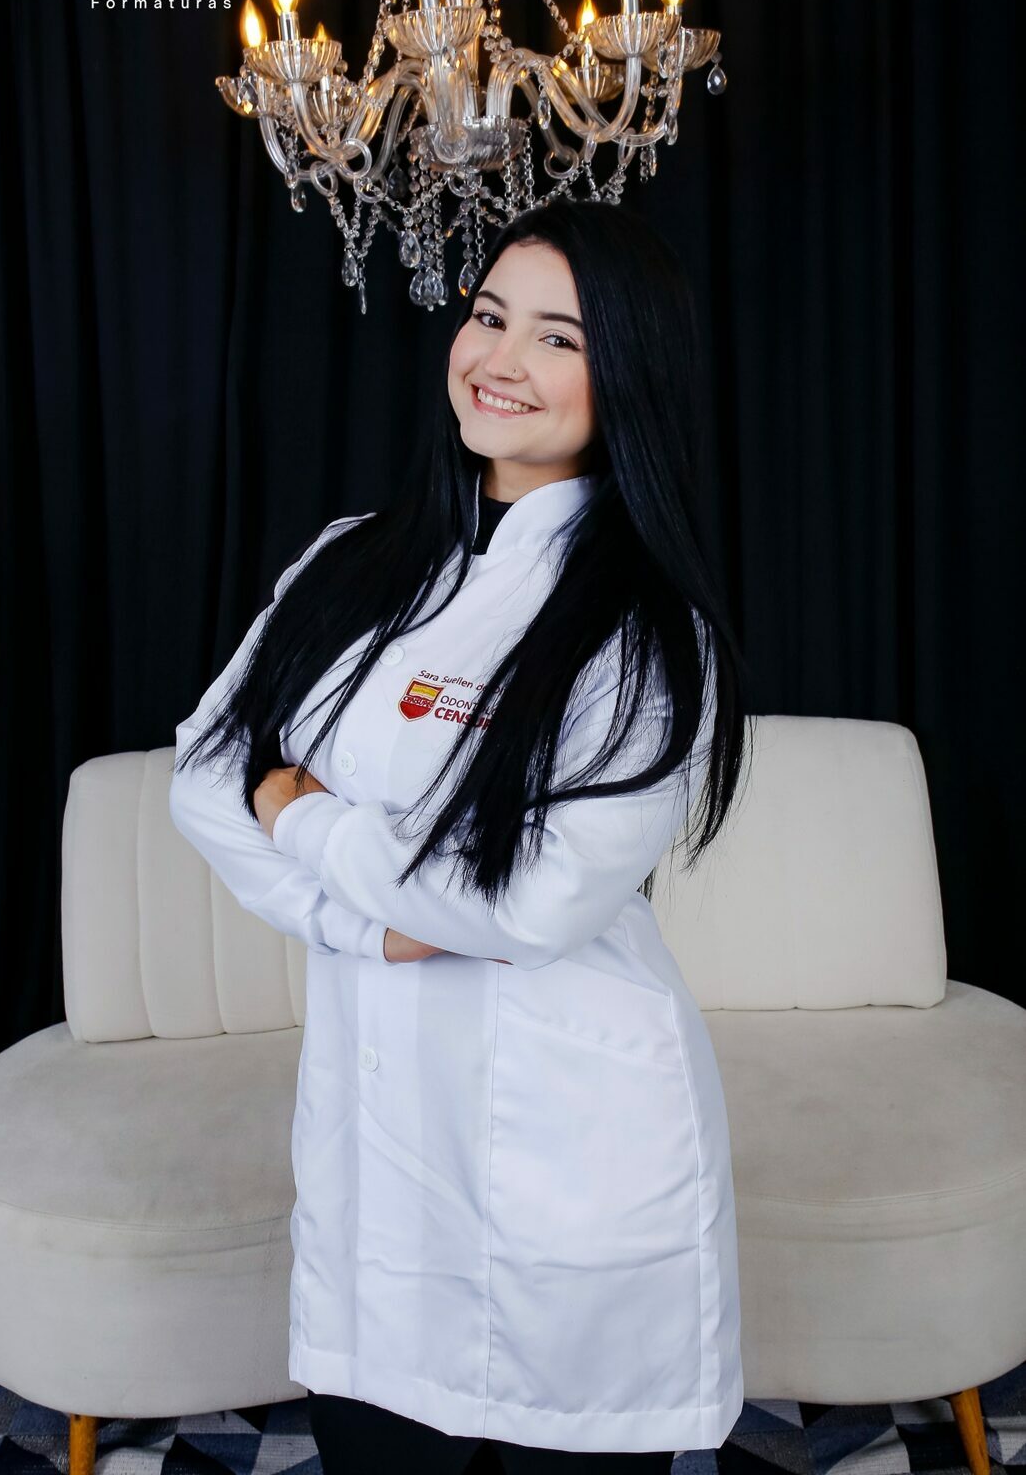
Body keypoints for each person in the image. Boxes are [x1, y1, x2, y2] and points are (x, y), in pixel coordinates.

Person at [169, 198, 752, 1473]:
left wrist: (302, 809)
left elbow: (527, 906)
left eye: (558, 337)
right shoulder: (350, 563)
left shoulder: (644, 630)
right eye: (489, 316)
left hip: (573, 1151)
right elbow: (207, 777)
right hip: (376, 1157)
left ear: (628, 372)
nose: (500, 359)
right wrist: (364, 928)